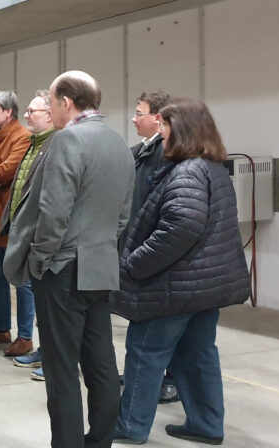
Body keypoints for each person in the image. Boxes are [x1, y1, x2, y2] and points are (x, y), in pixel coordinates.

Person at [7, 71, 134, 448]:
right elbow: (123, 215)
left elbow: (53, 210)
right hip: (101, 265)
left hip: (63, 268)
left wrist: (41, 260)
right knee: (101, 368)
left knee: (61, 374)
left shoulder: (66, 141)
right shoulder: (119, 142)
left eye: (52, 101)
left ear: (65, 101)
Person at [111, 98, 250, 446]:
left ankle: (130, 425)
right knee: (197, 354)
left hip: (174, 286)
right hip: (204, 286)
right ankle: (206, 424)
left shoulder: (187, 171)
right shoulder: (212, 167)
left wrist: (135, 263)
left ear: (182, 130)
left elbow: (181, 227)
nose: (161, 133)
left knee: (145, 352)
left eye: (165, 126)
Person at [125, 90, 179, 404]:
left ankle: (166, 379)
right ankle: (146, 377)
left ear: (158, 118)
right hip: (138, 245)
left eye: (139, 112)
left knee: (159, 328)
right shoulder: (142, 151)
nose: (134, 118)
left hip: (151, 250)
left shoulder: (164, 153)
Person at [3, 91, 56, 381]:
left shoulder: (54, 145)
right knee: (37, 297)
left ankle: (53, 359)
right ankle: (42, 349)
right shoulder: (33, 144)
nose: (26, 115)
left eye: (32, 111)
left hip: (42, 238)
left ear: (50, 114)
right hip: (25, 232)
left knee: (48, 303)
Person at [0, 91, 33, 354]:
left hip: (11, 221)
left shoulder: (22, 137)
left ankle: (25, 336)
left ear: (8, 111)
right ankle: (1, 328)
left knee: (21, 281)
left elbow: (9, 170)